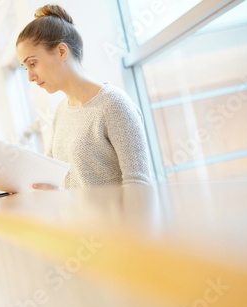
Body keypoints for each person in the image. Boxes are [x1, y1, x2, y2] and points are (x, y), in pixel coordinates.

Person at [16, 4, 153, 190]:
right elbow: (49, 177)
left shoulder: (113, 104)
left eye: (33, 63)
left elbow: (139, 184)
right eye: (26, 68)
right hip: (75, 219)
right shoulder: (62, 110)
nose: (30, 77)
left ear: (61, 51)